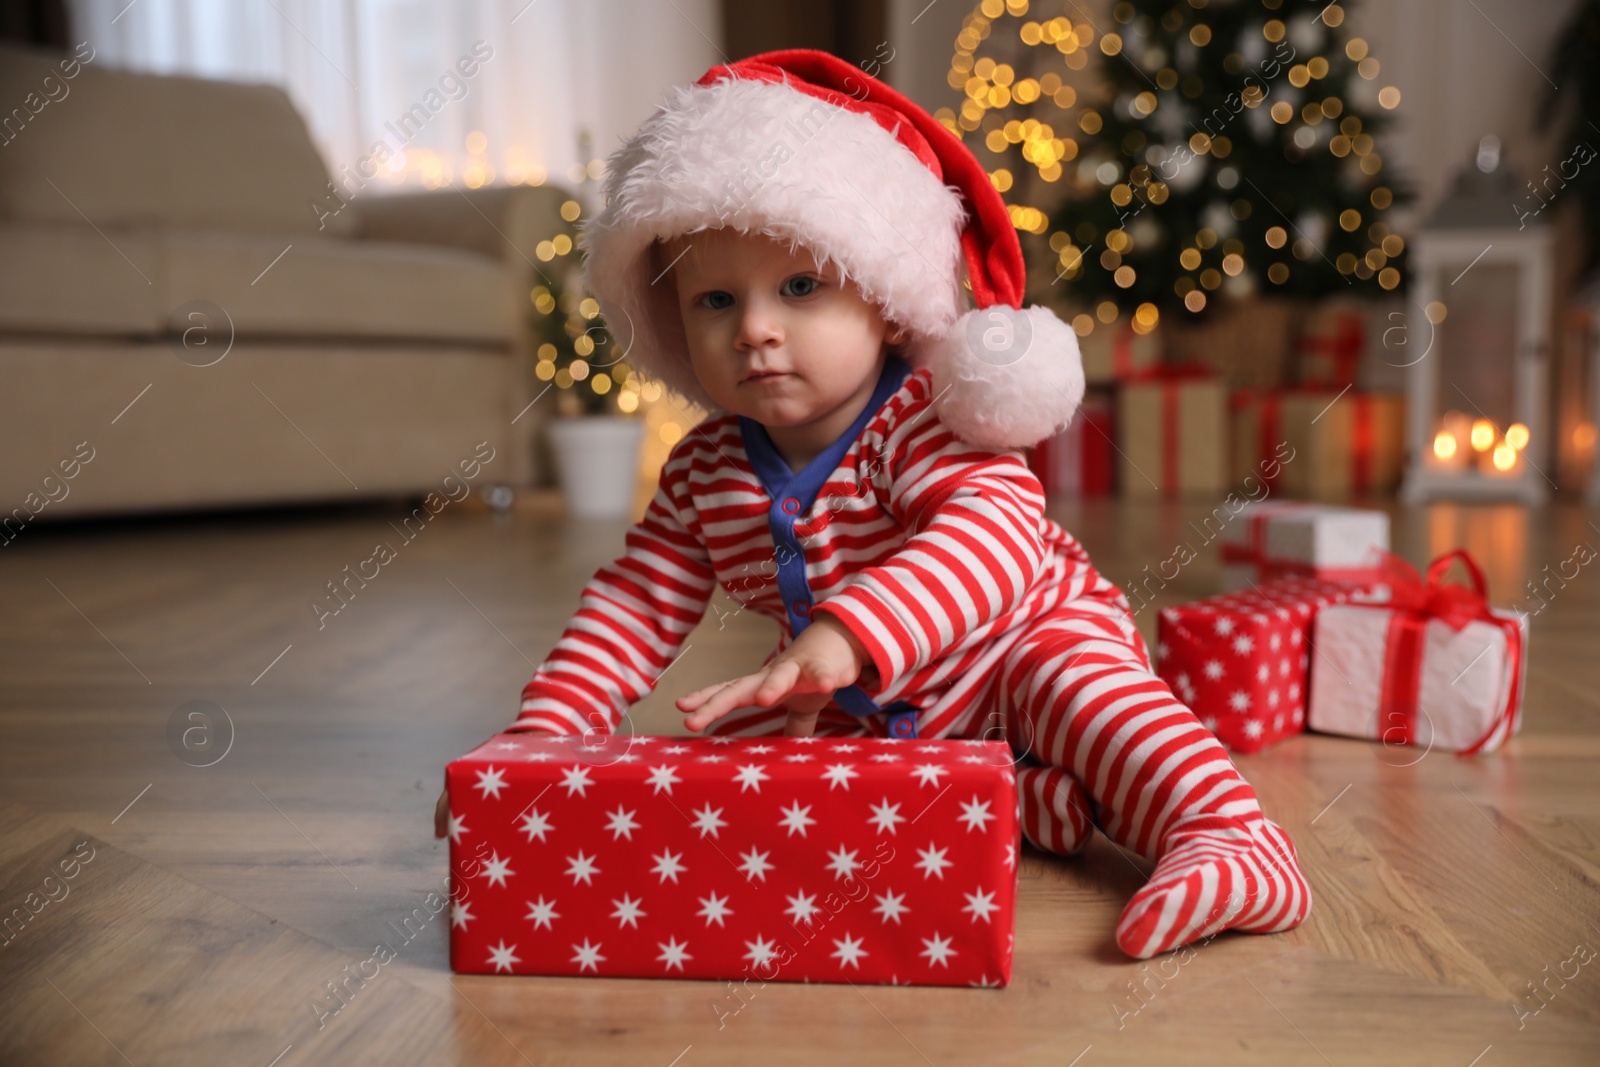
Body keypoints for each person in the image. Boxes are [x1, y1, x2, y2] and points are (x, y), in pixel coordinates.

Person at [435, 49, 1309, 960]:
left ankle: (1230, 835)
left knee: (1081, 691)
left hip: (1016, 648)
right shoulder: (703, 472)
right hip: (866, 701)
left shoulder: (924, 421)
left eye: (800, 288)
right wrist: (541, 739)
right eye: (716, 300)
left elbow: (992, 539)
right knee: (749, 751)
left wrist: (848, 634)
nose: (755, 329)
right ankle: (1025, 796)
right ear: (671, 321)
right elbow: (634, 604)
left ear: (888, 304)